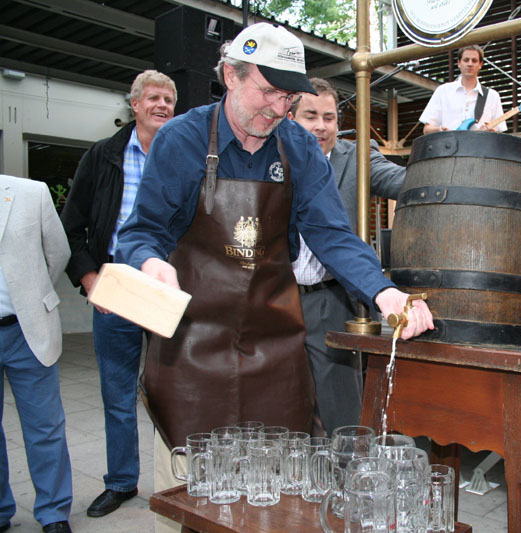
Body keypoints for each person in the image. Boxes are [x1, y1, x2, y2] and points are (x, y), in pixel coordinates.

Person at [113, 22, 432, 530]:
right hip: (191, 346)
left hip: (275, 349)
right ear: (230, 76)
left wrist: (383, 290)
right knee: (193, 501)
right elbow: (141, 231)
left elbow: (332, 234)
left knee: (277, 502)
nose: (278, 107)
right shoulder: (182, 139)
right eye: (267, 91)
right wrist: (151, 263)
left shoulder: (297, 148)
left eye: (288, 97)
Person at [60, 70, 176, 518]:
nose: (162, 105)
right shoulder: (102, 156)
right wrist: (91, 282)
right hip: (116, 287)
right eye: (153, 98)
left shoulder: (184, 155)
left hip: (168, 286)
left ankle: (178, 479)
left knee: (175, 388)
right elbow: (71, 226)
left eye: (169, 99)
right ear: (135, 104)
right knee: (117, 391)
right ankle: (122, 482)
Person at [288, 77, 406, 434]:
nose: (321, 126)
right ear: (290, 118)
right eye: (310, 116)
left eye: (329, 118)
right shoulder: (273, 154)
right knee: (285, 407)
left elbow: (402, 181)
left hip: (331, 300)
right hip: (277, 299)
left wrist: (450, 167)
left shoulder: (357, 157)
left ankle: (349, 467)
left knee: (342, 412)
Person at [0, 175, 72, 533]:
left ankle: (54, 512)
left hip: (25, 329)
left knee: (45, 426)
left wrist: (34, 296)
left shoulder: (31, 192)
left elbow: (58, 253)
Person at [419, 45, 507, 133]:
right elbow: (426, 130)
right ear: (459, 63)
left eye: (474, 60)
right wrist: (439, 130)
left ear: (480, 64)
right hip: (449, 141)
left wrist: (491, 132)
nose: (470, 64)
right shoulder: (443, 91)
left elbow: (499, 134)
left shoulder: (492, 96)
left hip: (479, 142)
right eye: (466, 60)